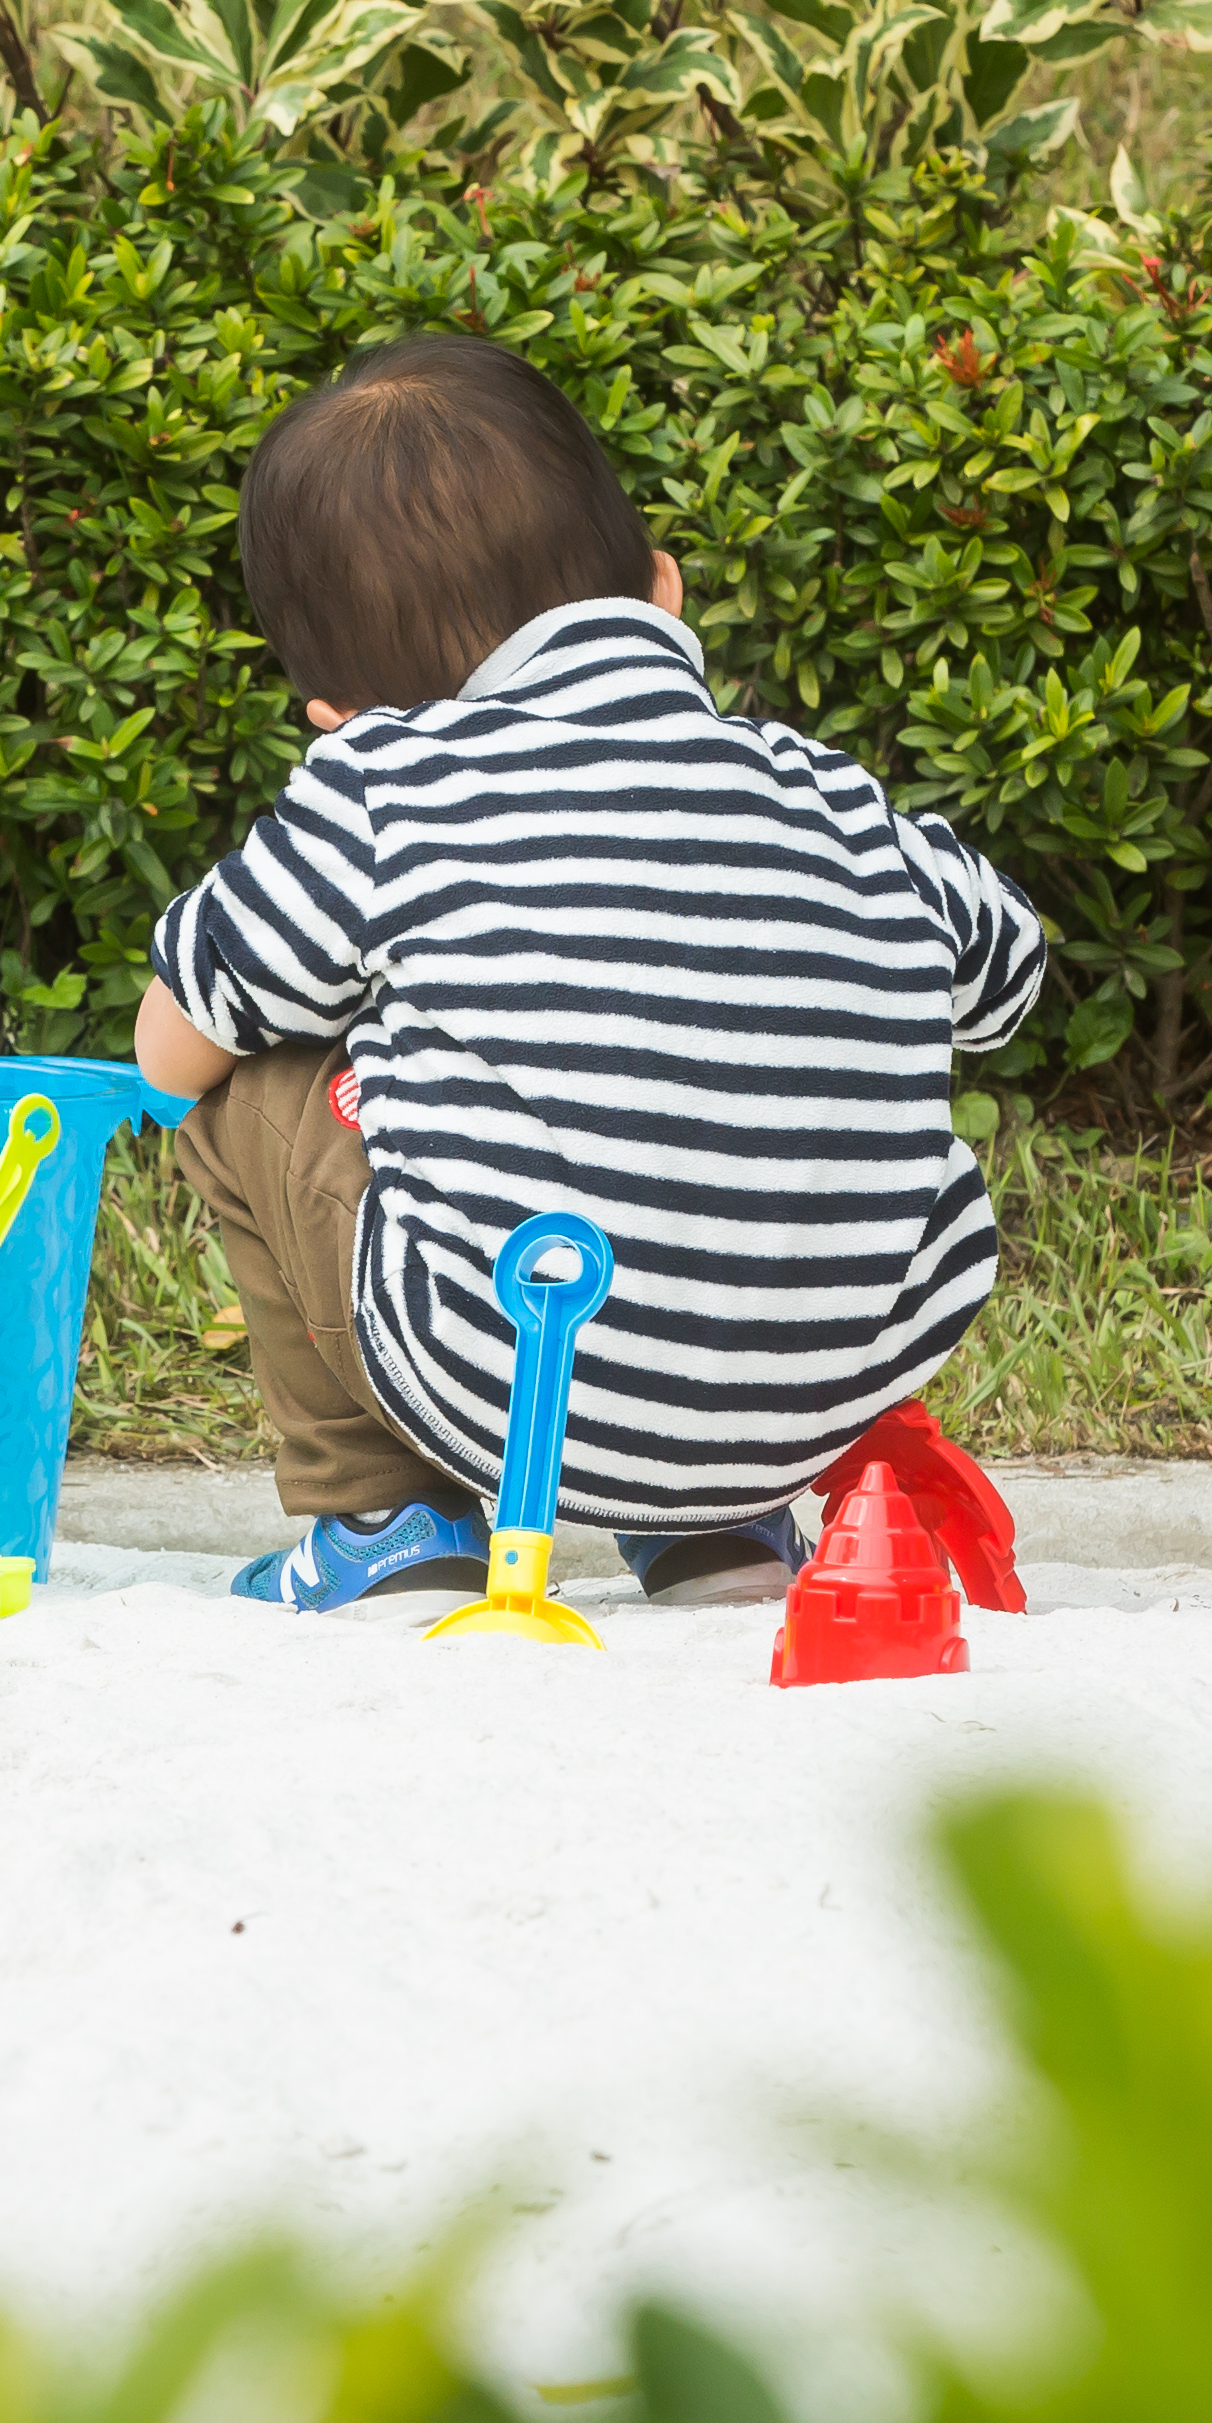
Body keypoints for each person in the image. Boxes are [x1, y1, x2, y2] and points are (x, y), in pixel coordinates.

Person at [132, 333, 1047, 1609]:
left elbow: (170, 1052)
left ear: (336, 714)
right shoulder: (828, 791)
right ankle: (720, 1530)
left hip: (507, 1375)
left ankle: (388, 1520)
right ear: (662, 590)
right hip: (829, 1385)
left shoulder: (385, 780)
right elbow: (1006, 977)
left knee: (251, 1075)